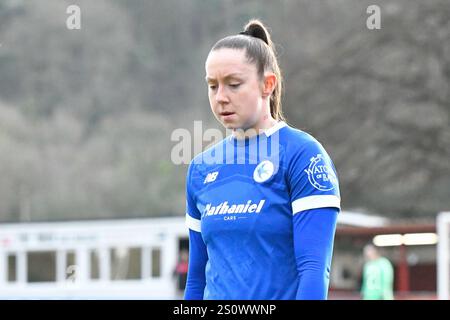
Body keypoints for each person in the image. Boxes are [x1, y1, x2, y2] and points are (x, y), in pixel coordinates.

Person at [184, 19, 341, 300]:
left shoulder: (303, 155)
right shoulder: (201, 168)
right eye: (212, 86)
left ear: (267, 84)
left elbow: (314, 270)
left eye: (233, 84)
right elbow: (196, 278)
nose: (221, 97)